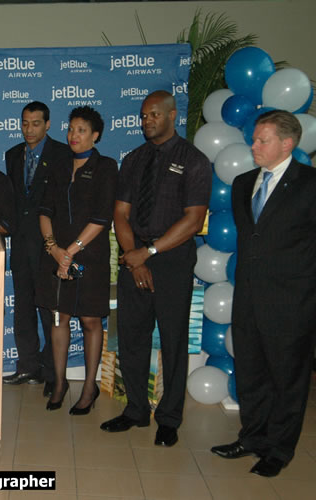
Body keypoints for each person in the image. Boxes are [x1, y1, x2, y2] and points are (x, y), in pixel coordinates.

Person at [101, 91, 211, 448]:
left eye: (153, 115)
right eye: (143, 116)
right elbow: (121, 213)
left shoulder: (194, 160)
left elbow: (193, 221)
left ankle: (169, 418)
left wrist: (147, 253)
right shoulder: (134, 159)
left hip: (172, 259)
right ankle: (135, 410)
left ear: (172, 116)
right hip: (135, 256)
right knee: (132, 337)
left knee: (174, 341)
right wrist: (134, 255)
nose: (146, 121)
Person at [211, 110, 316, 477]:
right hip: (248, 299)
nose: (253, 145)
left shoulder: (309, 184)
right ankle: (252, 437)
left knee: (287, 379)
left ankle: (279, 449)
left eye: (262, 140)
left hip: (292, 302)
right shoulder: (242, 183)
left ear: (287, 144)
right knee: (251, 372)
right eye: (254, 139)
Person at [35, 106, 117, 413]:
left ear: (95, 135)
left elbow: (102, 217)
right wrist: (55, 249)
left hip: (89, 258)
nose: (74, 135)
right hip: (56, 257)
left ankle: (89, 387)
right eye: (71, 129)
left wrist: (71, 251)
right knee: (60, 317)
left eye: (81, 130)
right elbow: (45, 212)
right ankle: (59, 382)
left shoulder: (106, 167)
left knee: (90, 319)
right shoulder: (58, 166)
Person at [4, 101, 72, 393]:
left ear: (47, 125)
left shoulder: (62, 154)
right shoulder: (12, 156)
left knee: (49, 309)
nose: (28, 129)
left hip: (49, 244)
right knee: (23, 309)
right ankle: (27, 367)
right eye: (24, 123)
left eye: (35, 123)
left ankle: (52, 372)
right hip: (20, 244)